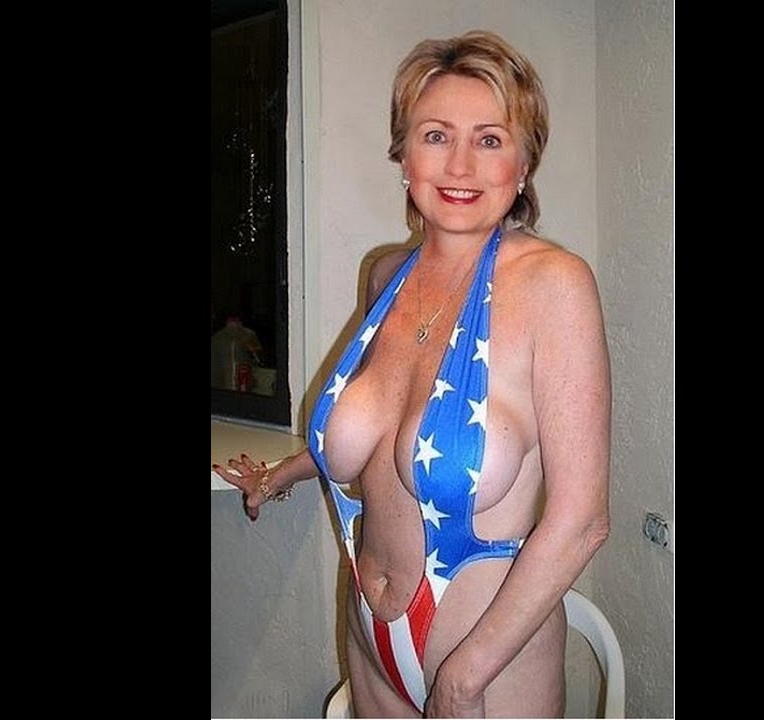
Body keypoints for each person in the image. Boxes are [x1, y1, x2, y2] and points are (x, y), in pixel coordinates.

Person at [213, 30, 610, 718]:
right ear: (403, 154)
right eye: (435, 135)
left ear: (523, 164)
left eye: (489, 139)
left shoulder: (555, 285)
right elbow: (384, 432)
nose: (460, 164)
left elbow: (582, 521)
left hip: (485, 666)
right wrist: (285, 474)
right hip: (371, 643)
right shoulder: (386, 275)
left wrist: (462, 679)